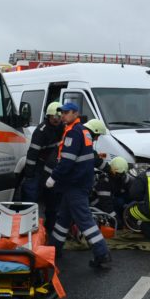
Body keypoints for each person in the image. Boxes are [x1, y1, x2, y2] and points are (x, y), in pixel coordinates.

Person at [46, 103, 112, 268]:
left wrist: (53, 177)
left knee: (84, 221)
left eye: (67, 112)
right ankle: (54, 249)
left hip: (74, 184)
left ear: (76, 113)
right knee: (64, 218)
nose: (63, 115)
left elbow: (67, 160)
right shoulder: (82, 131)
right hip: (77, 183)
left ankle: (102, 254)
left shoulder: (74, 133)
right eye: (62, 113)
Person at [21, 102, 64, 232]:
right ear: (48, 116)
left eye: (58, 116)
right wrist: (29, 174)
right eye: (53, 116)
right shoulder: (41, 131)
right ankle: (26, 228)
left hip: (52, 167)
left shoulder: (63, 127)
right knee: (31, 195)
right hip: (38, 166)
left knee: (53, 197)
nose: (56, 119)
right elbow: (33, 153)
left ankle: (51, 228)